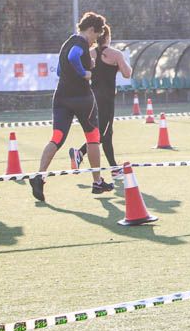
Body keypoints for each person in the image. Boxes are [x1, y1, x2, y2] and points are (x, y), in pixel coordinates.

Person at [31, 12, 111, 202]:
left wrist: (83, 64)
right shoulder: (81, 44)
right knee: (93, 137)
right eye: (96, 36)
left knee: (57, 137)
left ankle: (39, 176)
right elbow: (75, 56)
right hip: (82, 98)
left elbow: (60, 70)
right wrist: (84, 72)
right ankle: (97, 181)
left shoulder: (66, 43)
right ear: (91, 30)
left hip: (61, 97)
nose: (94, 41)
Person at [72, 23, 132, 176]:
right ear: (108, 37)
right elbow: (127, 74)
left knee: (104, 132)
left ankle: (113, 168)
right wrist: (120, 64)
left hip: (91, 97)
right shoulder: (116, 54)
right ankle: (80, 153)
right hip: (106, 99)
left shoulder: (90, 53)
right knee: (103, 134)